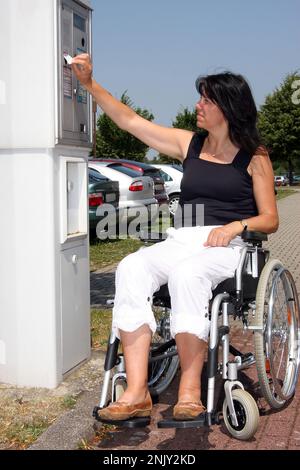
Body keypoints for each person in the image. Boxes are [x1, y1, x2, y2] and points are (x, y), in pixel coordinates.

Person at [72, 55, 279, 421]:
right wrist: (90, 84)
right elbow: (131, 121)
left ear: (228, 108)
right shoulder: (190, 145)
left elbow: (270, 219)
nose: (198, 105)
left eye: (206, 100)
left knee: (188, 276)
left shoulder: (254, 157)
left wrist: (235, 226)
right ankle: (137, 391)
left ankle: (189, 390)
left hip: (228, 246)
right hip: (182, 240)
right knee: (132, 266)